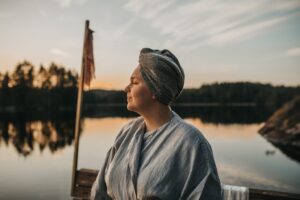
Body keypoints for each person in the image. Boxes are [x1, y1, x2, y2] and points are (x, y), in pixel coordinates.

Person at [91, 48, 222, 200]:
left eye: (134, 82)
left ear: (155, 89)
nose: (126, 88)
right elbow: (100, 190)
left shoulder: (191, 143)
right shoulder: (126, 132)